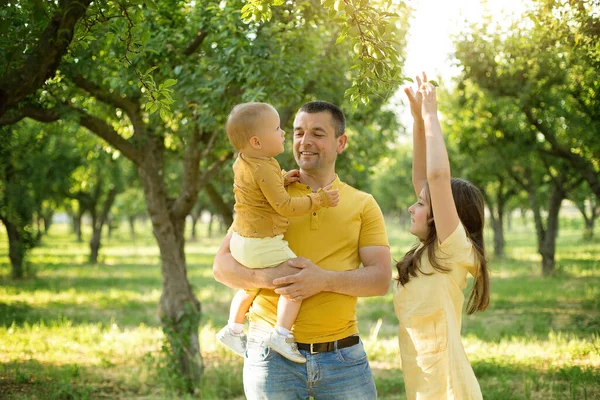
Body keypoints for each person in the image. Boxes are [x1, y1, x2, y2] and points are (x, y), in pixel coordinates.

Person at [213, 100, 391, 400]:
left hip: (343, 358)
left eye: (318, 133)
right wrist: (277, 279)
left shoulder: (362, 203)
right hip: (270, 358)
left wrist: (323, 280)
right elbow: (222, 267)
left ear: (341, 142)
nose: (304, 141)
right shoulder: (265, 193)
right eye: (297, 132)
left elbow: (380, 279)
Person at [217, 102, 340, 363]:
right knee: (296, 281)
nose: (283, 133)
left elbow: (257, 187)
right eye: (276, 129)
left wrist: (282, 179)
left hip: (242, 238)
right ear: (257, 142)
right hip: (261, 242)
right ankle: (282, 334)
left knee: (248, 286)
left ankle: (233, 328)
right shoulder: (264, 167)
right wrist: (320, 200)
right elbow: (284, 206)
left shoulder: (247, 160)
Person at [394, 73, 490, 400]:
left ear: (442, 216)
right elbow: (425, 179)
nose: (411, 207)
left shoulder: (453, 249)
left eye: (420, 205)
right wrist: (418, 123)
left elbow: (436, 177)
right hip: (423, 377)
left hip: (449, 386)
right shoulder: (432, 249)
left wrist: (433, 116)